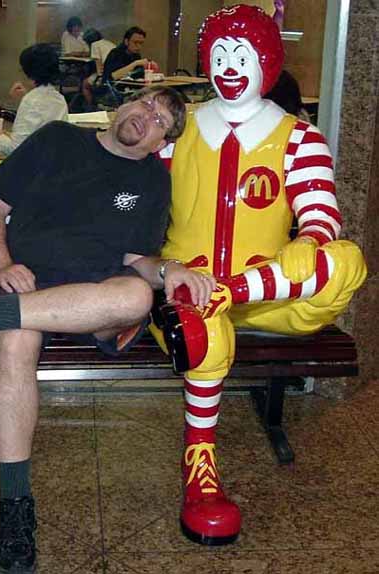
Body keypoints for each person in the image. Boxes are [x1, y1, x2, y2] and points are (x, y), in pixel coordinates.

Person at [0, 85, 196, 573]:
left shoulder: (152, 182)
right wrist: (2, 266)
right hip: (25, 284)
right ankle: (15, 509)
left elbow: (136, 260)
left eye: (161, 121)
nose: (147, 116)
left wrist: (170, 271)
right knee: (16, 343)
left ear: (159, 145)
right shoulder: (57, 139)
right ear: (124, 105)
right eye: (146, 103)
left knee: (137, 296)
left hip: (94, 298)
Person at [152, 4, 367, 547]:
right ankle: (200, 467)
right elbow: (122, 191)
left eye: (242, 55)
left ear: (267, 61)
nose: (229, 66)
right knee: (204, 327)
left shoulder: (299, 138)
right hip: (188, 291)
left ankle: (230, 293)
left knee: (346, 261)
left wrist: (308, 241)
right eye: (220, 54)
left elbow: (321, 216)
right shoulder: (178, 130)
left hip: (272, 292)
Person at [0, 43, 68, 157]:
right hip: (55, 160)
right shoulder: (59, 99)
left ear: (28, 72)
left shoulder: (31, 101)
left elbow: (17, 150)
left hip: (35, 164)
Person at [80, 28, 116, 109]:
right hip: (116, 75)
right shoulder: (109, 43)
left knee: (85, 84)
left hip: (106, 77)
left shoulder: (94, 45)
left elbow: (99, 70)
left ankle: (91, 107)